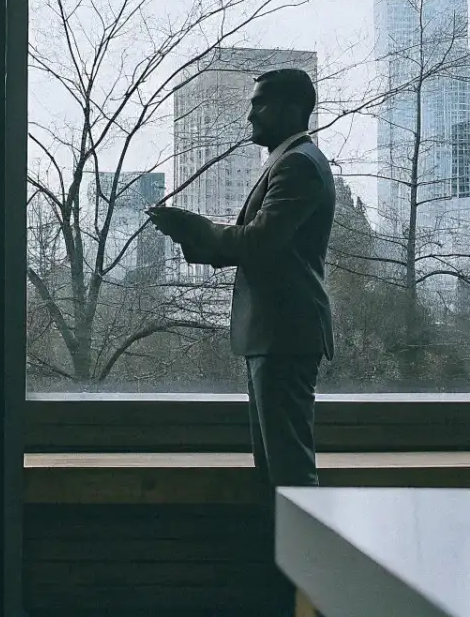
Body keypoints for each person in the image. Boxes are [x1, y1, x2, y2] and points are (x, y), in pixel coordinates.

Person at [147, 67, 335, 611]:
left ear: (291, 109)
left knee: (289, 476)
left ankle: (304, 598)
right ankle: (291, 595)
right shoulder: (292, 161)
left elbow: (259, 243)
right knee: (277, 474)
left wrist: (194, 230)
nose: (250, 114)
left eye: (259, 104)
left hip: (283, 335)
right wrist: (198, 235)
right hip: (276, 334)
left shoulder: (297, 165)